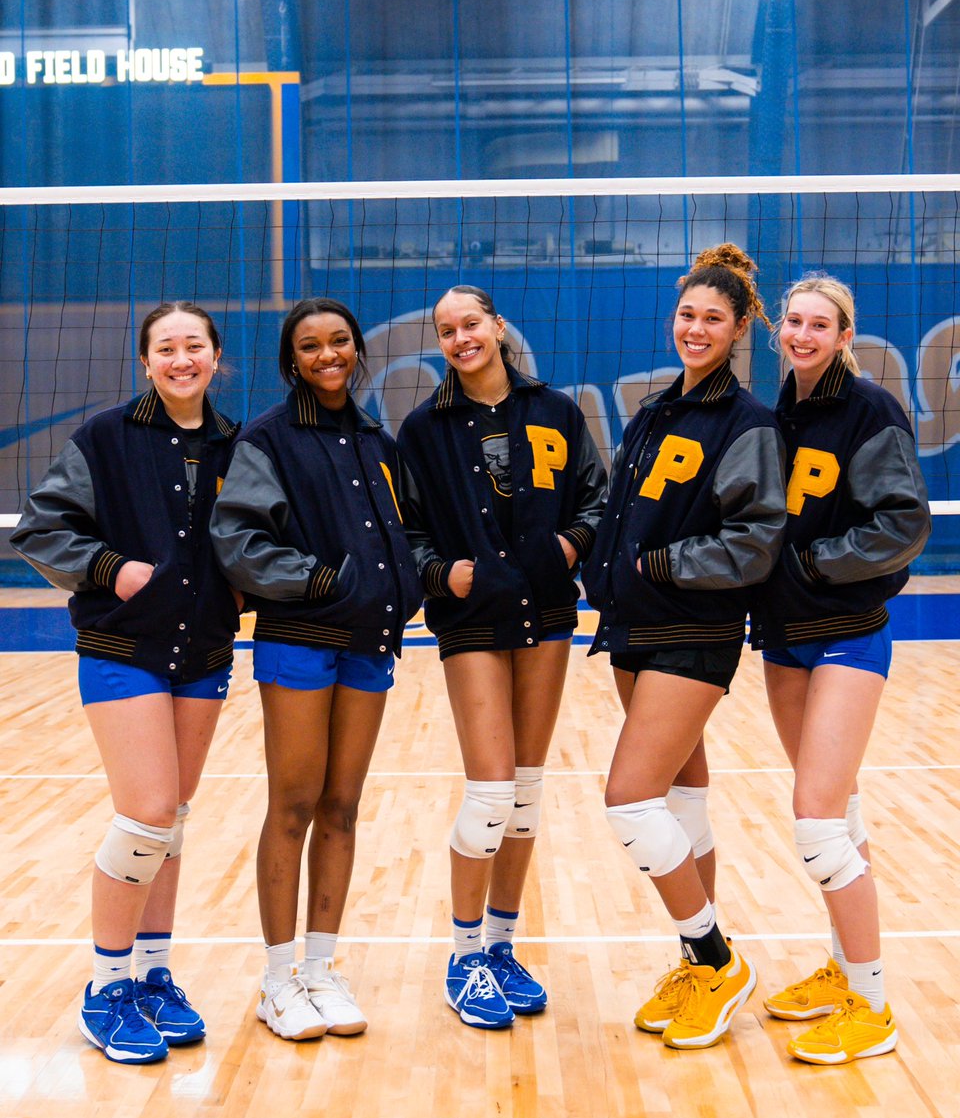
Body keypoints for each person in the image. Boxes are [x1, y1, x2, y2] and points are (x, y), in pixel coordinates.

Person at [11, 303, 240, 1064]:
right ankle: (106, 986)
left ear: (216, 357)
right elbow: (41, 530)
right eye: (165, 348)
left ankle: (152, 975)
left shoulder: (237, 446)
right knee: (144, 813)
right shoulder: (105, 437)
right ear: (146, 362)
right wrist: (117, 569)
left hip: (203, 652)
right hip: (123, 645)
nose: (181, 359)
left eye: (194, 346)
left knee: (171, 818)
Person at [582, 244, 786, 1050]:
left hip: (692, 628)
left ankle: (717, 957)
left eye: (712, 319)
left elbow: (755, 539)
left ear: (739, 330)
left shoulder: (748, 424)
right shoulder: (654, 411)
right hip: (633, 626)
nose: (695, 329)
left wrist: (661, 563)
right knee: (680, 800)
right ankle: (697, 971)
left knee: (630, 798)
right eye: (686, 315)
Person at [210, 297, 421, 1042]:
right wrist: (323, 582)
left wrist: (408, 584)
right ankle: (277, 981)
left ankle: (323, 970)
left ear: (357, 349)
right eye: (310, 346)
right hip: (301, 636)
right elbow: (237, 542)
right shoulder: (267, 438)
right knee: (294, 802)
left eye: (339, 342)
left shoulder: (373, 438)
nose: (327, 355)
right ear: (290, 360)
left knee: (342, 805)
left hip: (369, 641)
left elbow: (406, 532)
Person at [397, 285, 606, 1029]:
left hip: (547, 611)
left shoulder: (556, 411)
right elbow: (407, 526)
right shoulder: (423, 429)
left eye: (471, 324)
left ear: (498, 327)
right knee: (489, 793)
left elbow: (595, 500)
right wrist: (439, 574)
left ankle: (503, 947)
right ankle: (464, 956)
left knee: (526, 788)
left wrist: (567, 547)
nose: (460, 339)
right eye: (447, 330)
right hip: (472, 618)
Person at [749, 273, 930, 1065]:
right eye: (793, 321)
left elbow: (903, 522)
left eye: (820, 324)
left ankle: (876, 1006)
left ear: (844, 335)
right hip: (785, 636)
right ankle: (843, 970)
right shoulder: (774, 413)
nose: (802, 334)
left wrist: (817, 566)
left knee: (818, 819)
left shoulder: (871, 411)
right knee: (842, 813)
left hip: (848, 631)